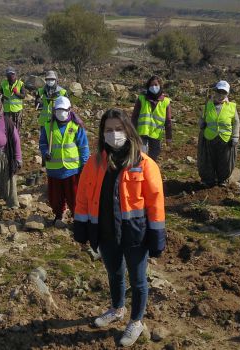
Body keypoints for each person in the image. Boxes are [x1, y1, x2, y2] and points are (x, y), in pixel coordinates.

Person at [73, 109, 166, 347]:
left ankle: (136, 320)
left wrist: (157, 235)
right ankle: (117, 308)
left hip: (136, 234)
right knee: (114, 273)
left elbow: (155, 201)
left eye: (118, 129)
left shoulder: (145, 164)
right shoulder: (94, 163)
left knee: (137, 279)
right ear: (102, 134)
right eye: (108, 130)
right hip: (104, 231)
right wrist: (81, 226)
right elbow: (83, 196)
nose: (114, 134)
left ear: (128, 131)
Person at [39, 96, 89, 225]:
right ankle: (58, 214)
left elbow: (83, 146)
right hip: (54, 169)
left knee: (74, 196)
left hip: (72, 169)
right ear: (54, 110)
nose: (60, 112)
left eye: (63, 110)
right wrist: (45, 153)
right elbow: (43, 143)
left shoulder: (76, 126)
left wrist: (84, 165)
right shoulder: (48, 125)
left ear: (69, 110)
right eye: (58, 110)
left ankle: (77, 217)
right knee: (55, 197)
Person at [197, 80, 240, 187]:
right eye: (219, 91)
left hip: (225, 139)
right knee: (208, 160)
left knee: (225, 160)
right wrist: (201, 123)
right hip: (209, 137)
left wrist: (235, 136)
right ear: (215, 91)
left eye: (223, 92)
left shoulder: (232, 106)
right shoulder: (208, 105)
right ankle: (208, 179)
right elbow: (202, 118)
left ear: (227, 94)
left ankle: (223, 179)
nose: (220, 95)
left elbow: (236, 122)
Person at [131, 75, 172, 161]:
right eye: (151, 85)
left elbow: (168, 121)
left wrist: (168, 137)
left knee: (153, 159)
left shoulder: (166, 101)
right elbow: (134, 117)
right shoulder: (142, 98)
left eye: (156, 85)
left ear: (160, 85)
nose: (153, 87)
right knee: (141, 157)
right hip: (142, 133)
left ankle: (150, 173)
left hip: (156, 135)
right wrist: (132, 133)